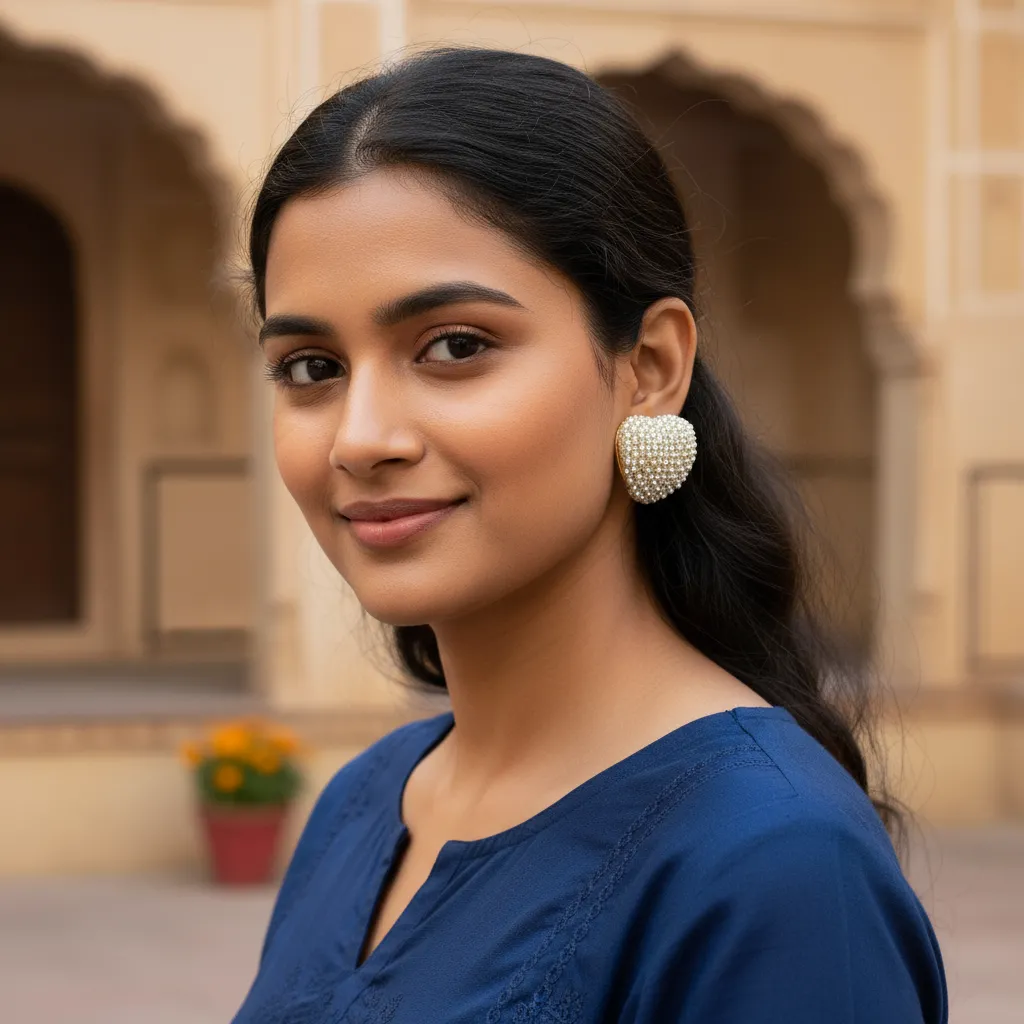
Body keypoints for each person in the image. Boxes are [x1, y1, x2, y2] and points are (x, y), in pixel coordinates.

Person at [233, 47, 947, 1023]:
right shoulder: (364, 805)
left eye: (453, 347)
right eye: (311, 366)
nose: (360, 438)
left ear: (648, 367)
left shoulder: (771, 868)